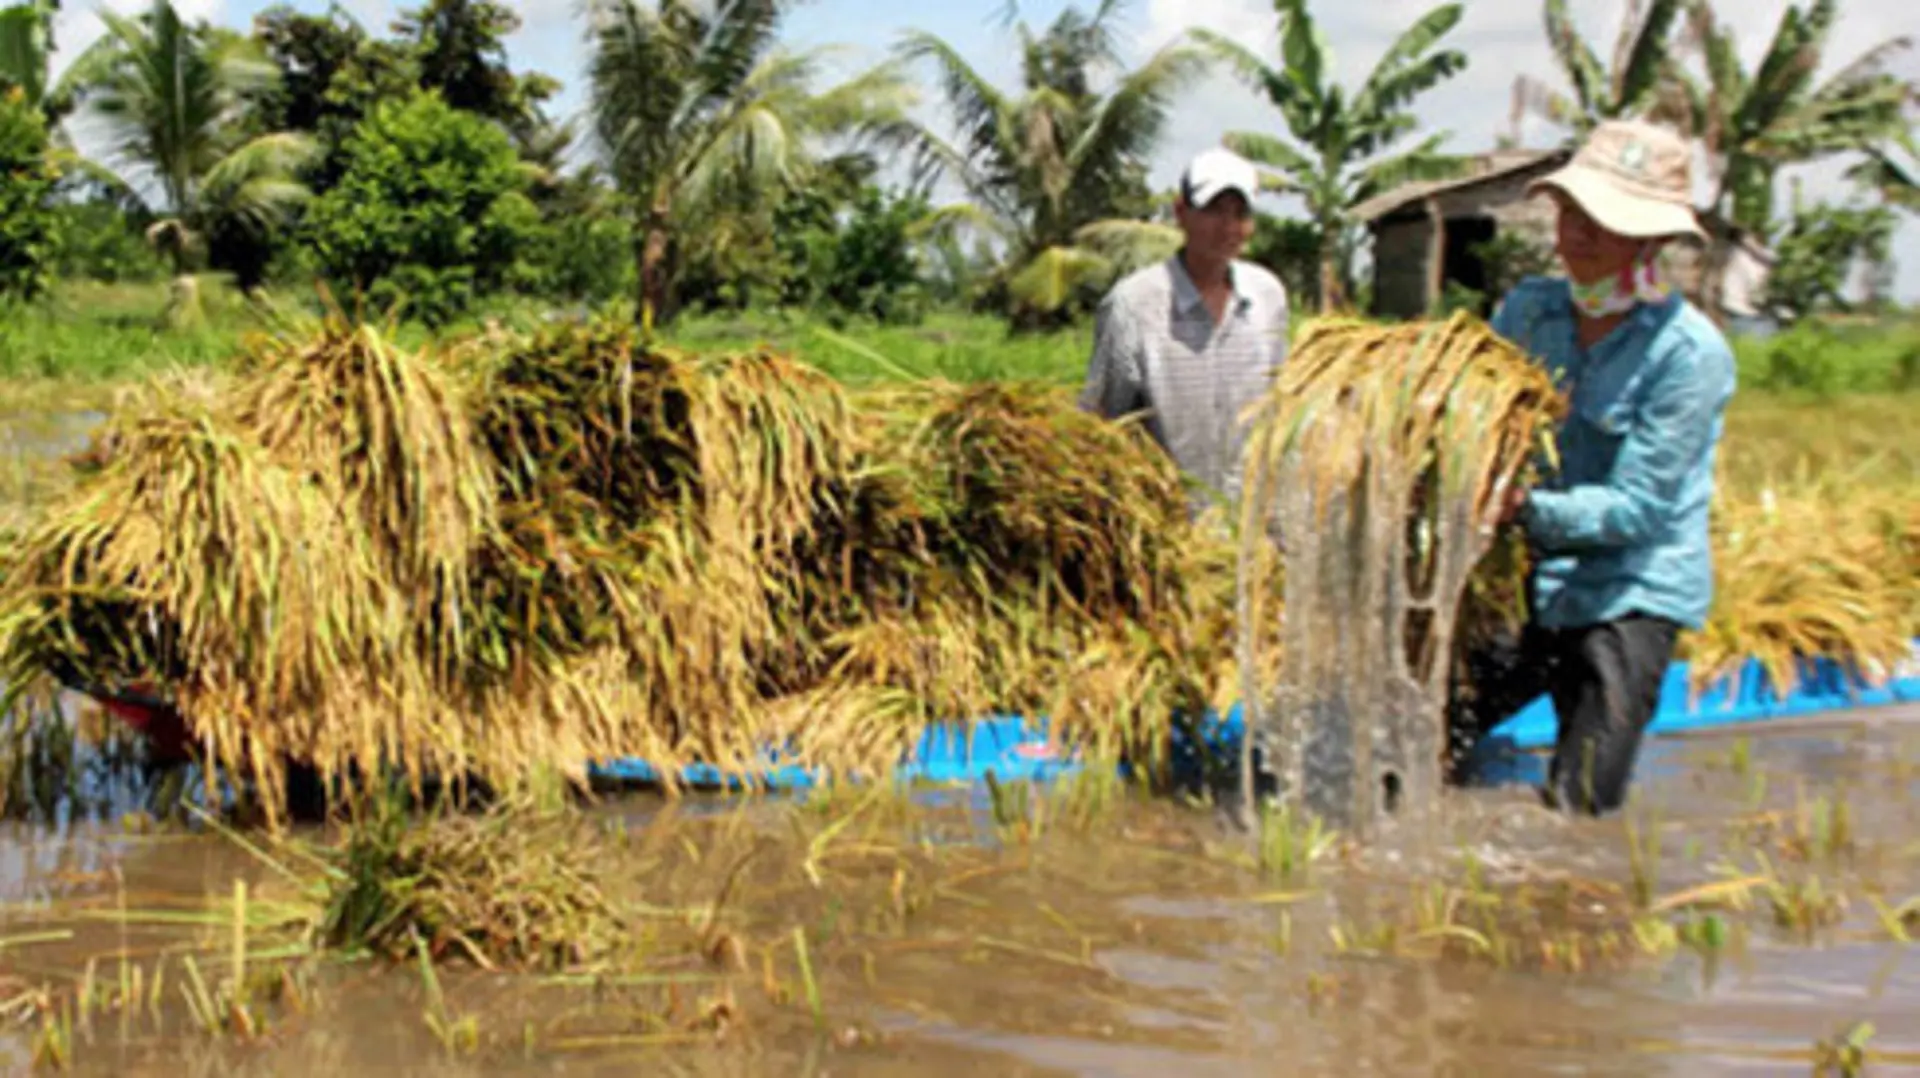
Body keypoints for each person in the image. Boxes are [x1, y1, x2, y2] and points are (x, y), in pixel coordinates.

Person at [1468, 118, 1737, 816]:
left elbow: (1638, 510)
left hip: (1631, 590)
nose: (1577, 230)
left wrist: (1522, 509)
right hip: (1536, 577)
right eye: (1570, 211)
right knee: (1430, 724)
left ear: (1651, 239)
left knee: (1580, 807)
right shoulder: (1530, 312)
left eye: (1602, 218)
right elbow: (1476, 417)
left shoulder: (1687, 355)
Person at [1079, 146, 1291, 514]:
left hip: (1249, 529)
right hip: (1168, 528)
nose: (1228, 227)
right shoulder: (1134, 304)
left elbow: (1278, 405)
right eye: (1213, 211)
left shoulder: (1267, 297)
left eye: (1240, 213)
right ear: (1181, 213)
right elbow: (1103, 424)